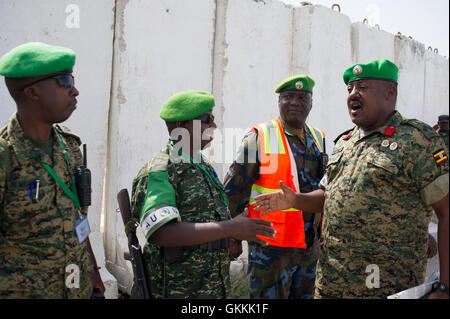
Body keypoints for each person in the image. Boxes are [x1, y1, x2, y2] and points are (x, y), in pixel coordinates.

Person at [253, 59, 449, 299]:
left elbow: (446, 212)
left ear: (390, 92)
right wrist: (296, 200)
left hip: (384, 287)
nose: (353, 95)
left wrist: (444, 286)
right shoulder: (344, 143)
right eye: (350, 89)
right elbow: (328, 195)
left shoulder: (418, 141)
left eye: (363, 88)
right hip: (331, 283)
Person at [130, 90, 275, 299]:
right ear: (182, 126)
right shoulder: (161, 170)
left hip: (210, 288)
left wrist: (233, 233)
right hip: (178, 291)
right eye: (207, 120)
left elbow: (206, 222)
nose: (213, 126)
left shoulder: (200, 164)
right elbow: (162, 233)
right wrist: (230, 228)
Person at [0, 42, 104, 298]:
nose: (75, 90)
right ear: (33, 92)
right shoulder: (6, 156)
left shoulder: (69, 146)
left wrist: (94, 276)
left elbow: (76, 217)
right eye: (65, 81)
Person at [224, 75, 327, 299]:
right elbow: (234, 191)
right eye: (288, 97)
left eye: (302, 97)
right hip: (270, 248)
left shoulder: (319, 138)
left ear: (311, 103)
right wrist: (233, 237)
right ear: (279, 101)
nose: (295, 103)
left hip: (308, 247)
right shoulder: (259, 137)